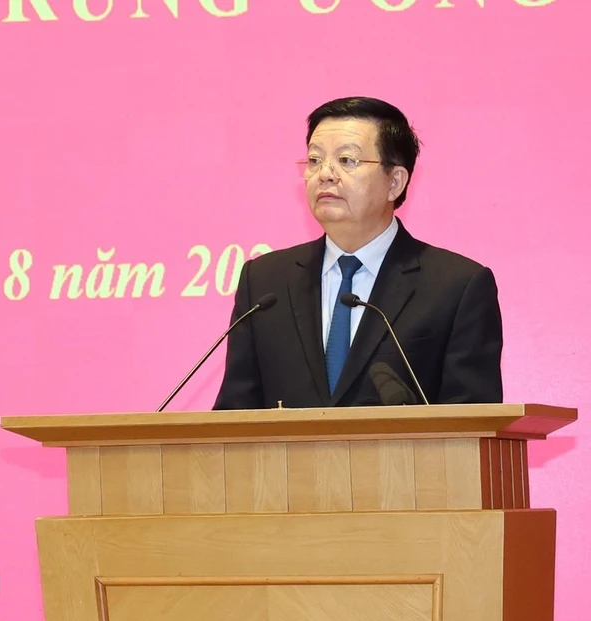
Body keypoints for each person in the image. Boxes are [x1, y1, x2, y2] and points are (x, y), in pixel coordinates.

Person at [213, 96, 503, 409]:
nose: (325, 173)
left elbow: (472, 421)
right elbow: (234, 415)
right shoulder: (264, 282)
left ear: (394, 182)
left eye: (347, 160)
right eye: (314, 160)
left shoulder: (456, 287)